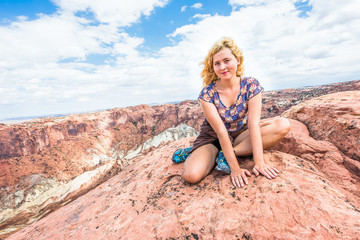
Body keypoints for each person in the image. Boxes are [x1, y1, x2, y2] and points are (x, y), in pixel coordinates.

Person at [172, 37, 290, 188]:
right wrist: (235, 168)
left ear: (238, 60)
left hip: (240, 134)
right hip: (213, 138)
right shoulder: (208, 94)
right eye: (217, 63)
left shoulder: (250, 85)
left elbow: (253, 124)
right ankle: (194, 152)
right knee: (191, 175)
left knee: (282, 125)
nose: (222, 67)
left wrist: (259, 162)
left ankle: (226, 154)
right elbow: (221, 132)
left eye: (227, 60)